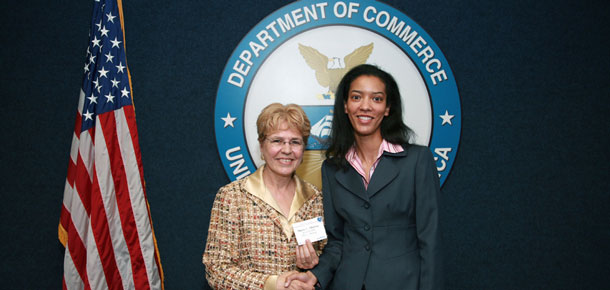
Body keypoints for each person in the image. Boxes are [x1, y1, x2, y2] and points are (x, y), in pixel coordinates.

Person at [287, 64, 443, 289]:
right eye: (357, 97)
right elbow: (337, 241)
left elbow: (431, 242)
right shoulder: (332, 168)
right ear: (345, 106)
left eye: (377, 99)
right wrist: (315, 275)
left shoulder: (417, 161)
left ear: (388, 108)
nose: (366, 106)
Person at [203, 103, 324, 290]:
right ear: (261, 145)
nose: (287, 150)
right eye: (277, 141)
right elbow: (216, 270)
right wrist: (272, 284)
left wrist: (313, 269)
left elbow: (331, 260)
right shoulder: (232, 197)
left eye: (295, 142)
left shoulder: (316, 199)